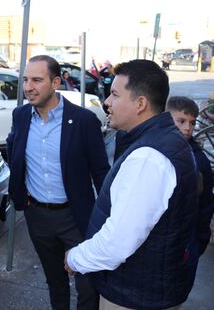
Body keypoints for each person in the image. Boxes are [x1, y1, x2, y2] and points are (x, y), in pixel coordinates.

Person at [65, 59, 199, 310]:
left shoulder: (149, 157)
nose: (107, 102)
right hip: (149, 288)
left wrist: (75, 258)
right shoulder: (160, 140)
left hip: (136, 295)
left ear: (140, 104)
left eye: (115, 95)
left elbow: (117, 243)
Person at [7, 55, 110, 310]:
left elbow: (101, 173)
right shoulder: (20, 116)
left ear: (55, 82)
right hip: (38, 216)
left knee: (88, 285)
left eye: (37, 80)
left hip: (76, 217)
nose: (28, 87)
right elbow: (15, 156)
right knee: (55, 281)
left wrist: (107, 217)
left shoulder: (84, 121)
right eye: (26, 80)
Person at [166, 96, 214, 286]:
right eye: (181, 121)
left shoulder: (199, 159)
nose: (188, 128)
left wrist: (199, 240)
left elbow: (206, 203)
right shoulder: (155, 150)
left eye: (192, 123)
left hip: (187, 241)